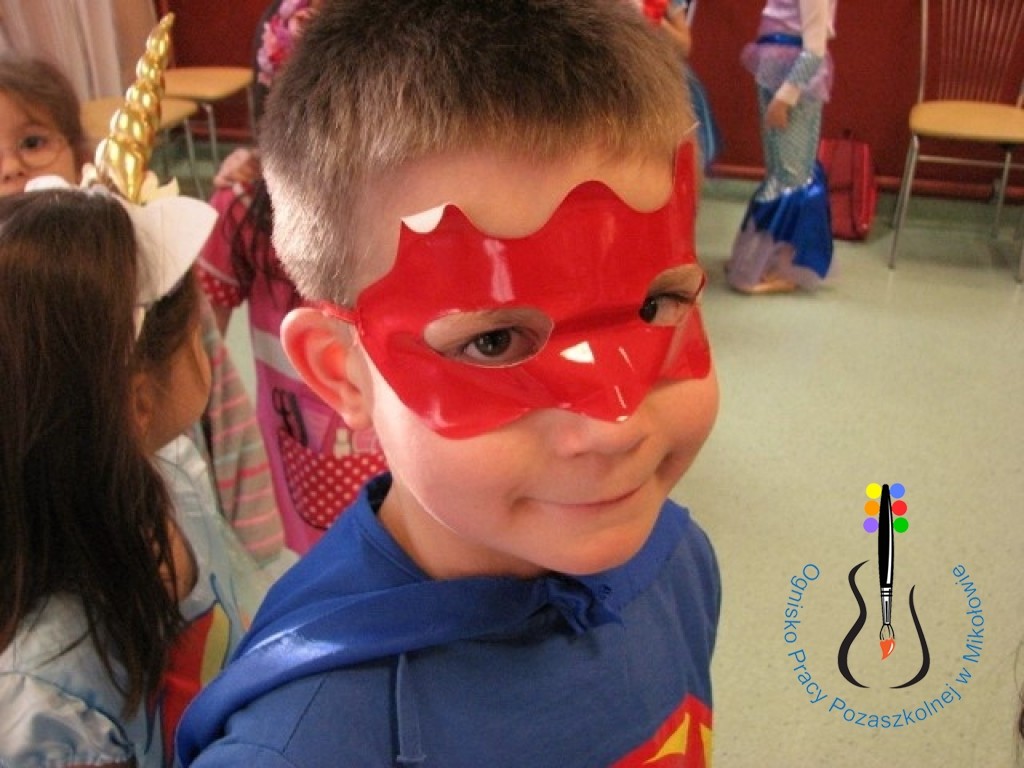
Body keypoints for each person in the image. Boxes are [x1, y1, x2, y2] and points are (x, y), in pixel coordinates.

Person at [176, 1, 720, 766]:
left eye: (657, 304)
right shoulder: (299, 746)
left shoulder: (676, 560)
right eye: (493, 341)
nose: (616, 425)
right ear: (341, 372)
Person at [0, 182, 251, 766]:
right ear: (138, 402)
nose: (209, 346)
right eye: (196, 334)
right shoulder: (44, 700)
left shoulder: (176, 477)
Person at [0, 54, 287, 565]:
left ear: (79, 152)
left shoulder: (153, 267)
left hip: (199, 546)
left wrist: (257, 549)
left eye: (33, 142)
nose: (10, 168)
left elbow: (225, 414)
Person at [197, 0, 386, 554]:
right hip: (307, 451)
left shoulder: (415, 190)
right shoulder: (242, 205)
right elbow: (202, 343)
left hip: (414, 448)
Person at [725, 0, 835, 294]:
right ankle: (766, 259)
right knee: (778, 169)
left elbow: (814, 50)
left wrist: (786, 97)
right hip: (776, 71)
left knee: (791, 174)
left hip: (793, 82)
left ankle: (786, 265)